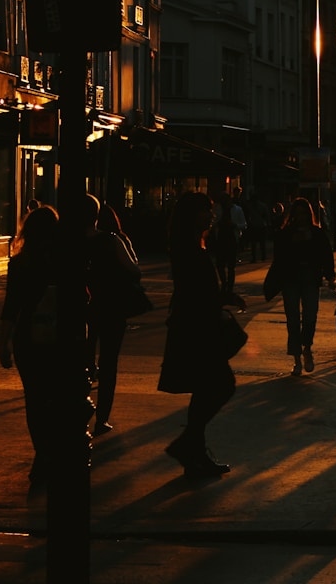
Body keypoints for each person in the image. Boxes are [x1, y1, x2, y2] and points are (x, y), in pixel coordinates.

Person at [158, 191, 236, 478]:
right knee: (220, 384)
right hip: (197, 329)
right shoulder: (188, 248)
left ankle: (194, 451)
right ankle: (190, 444)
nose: (211, 215)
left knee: (207, 388)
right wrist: (218, 303)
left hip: (196, 327)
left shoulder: (190, 245)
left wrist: (224, 297)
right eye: (207, 210)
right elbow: (195, 292)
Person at [0, 205, 62, 484]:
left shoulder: (20, 264)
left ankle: (42, 453)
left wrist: (4, 343)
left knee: (34, 399)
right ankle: (54, 452)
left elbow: (11, 306)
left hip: (28, 336)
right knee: (56, 397)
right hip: (59, 336)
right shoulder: (63, 263)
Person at [86, 196, 142, 436]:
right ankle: (102, 418)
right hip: (110, 306)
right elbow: (134, 269)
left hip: (82, 307)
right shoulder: (110, 241)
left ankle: (78, 409)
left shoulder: (70, 241)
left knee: (83, 359)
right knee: (109, 363)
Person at [270, 197, 335, 375]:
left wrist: (330, 276)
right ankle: (297, 358)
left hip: (309, 277)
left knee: (309, 315)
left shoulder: (316, 233)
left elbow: (325, 254)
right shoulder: (286, 233)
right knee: (292, 318)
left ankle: (307, 347)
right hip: (291, 278)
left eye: (304, 214)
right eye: (298, 214)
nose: (301, 217)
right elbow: (279, 257)